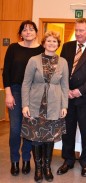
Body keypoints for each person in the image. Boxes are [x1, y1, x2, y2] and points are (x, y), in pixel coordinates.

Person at [56, 18, 86, 177]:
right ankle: (68, 160)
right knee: (67, 131)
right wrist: (67, 90)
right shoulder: (67, 46)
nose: (78, 33)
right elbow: (61, 70)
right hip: (67, 97)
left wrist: (79, 91)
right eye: (76, 30)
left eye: (81, 30)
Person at [21, 31, 69, 182]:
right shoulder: (33, 60)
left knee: (49, 138)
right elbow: (26, 84)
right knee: (36, 138)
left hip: (54, 106)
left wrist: (64, 106)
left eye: (55, 41)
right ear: (43, 43)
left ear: (58, 44)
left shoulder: (63, 62)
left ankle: (47, 168)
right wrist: (25, 105)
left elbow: (64, 86)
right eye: (49, 41)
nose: (51, 44)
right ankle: (39, 169)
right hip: (36, 105)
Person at [2, 20, 44, 176]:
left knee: (29, 129)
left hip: (34, 94)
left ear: (36, 32)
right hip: (16, 91)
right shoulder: (13, 48)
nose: (28, 32)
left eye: (31, 29)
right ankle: (14, 160)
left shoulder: (41, 50)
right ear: (21, 33)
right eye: (25, 30)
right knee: (15, 129)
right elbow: (6, 72)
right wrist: (8, 93)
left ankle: (27, 160)